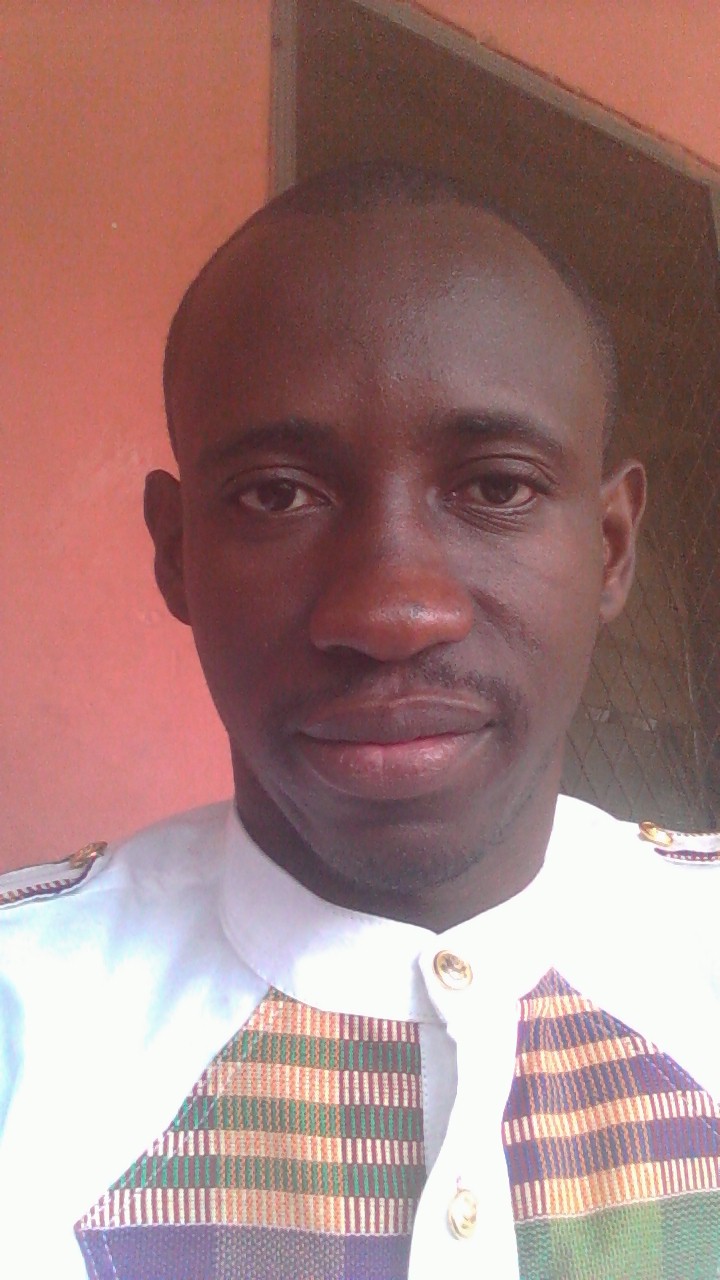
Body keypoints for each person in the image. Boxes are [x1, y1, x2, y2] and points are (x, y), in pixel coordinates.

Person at [1, 164, 718, 1280]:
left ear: (612, 548)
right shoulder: (23, 1014)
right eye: (276, 494)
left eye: (497, 487)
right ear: (177, 552)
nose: (390, 613)